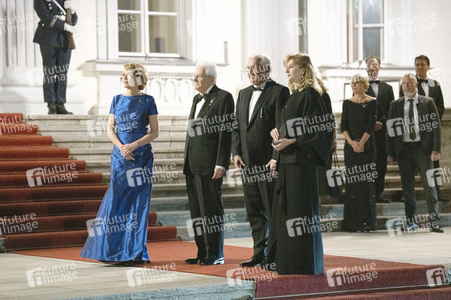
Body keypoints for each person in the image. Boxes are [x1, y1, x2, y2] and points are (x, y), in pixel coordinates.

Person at [81, 63, 159, 263]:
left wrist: (133, 145)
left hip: (141, 157)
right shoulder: (116, 100)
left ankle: (134, 252)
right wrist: (122, 148)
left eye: (130, 75)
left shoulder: (148, 100)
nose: (124, 78)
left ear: (139, 80)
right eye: (123, 75)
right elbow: (110, 129)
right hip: (119, 157)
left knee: (138, 204)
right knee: (116, 201)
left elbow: (154, 132)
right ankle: (111, 251)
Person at [267, 53, 333, 275]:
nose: (287, 71)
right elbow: (292, 126)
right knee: (286, 212)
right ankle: (287, 261)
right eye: (287, 67)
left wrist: (293, 140)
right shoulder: (293, 95)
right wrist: (278, 134)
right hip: (287, 161)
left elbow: (320, 129)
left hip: (300, 164)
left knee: (299, 213)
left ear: (304, 69)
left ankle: (303, 263)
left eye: (292, 66)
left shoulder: (312, 95)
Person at [232, 55, 289, 267]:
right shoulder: (244, 93)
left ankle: (275, 256)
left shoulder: (279, 91)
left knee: (272, 211)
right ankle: (259, 253)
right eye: (248, 70)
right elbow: (237, 126)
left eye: (255, 70)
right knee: (254, 211)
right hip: (247, 164)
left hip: (267, 163)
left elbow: (280, 126)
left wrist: (276, 157)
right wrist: (236, 152)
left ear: (266, 70)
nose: (251, 74)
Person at [184, 62, 235, 266]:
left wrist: (221, 163)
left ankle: (215, 253)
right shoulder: (197, 99)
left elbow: (226, 132)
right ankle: (202, 251)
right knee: (197, 212)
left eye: (198, 76)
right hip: (192, 163)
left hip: (210, 164)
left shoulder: (224, 97)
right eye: (194, 76)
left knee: (211, 211)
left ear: (211, 79)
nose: (194, 79)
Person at [387, 74, 443, 233]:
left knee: (430, 186)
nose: (407, 86)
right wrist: (391, 153)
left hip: (423, 149)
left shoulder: (427, 102)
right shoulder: (395, 104)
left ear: (416, 84)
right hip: (404, 150)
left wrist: (436, 148)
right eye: (404, 83)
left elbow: (436, 126)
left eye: (410, 83)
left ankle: (435, 222)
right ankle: (412, 222)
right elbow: (390, 130)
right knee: (408, 188)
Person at [405, 55, 447, 202]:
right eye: (417, 65)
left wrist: (433, 120)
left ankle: (437, 192)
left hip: (431, 131)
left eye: (423, 65)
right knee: (412, 164)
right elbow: (404, 105)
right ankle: (409, 195)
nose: (419, 67)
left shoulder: (435, 84)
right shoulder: (408, 84)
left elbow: (440, 105)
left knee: (434, 163)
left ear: (428, 66)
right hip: (414, 131)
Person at [341, 74, 378, 232]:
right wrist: (352, 143)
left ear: (365, 85)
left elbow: (370, 125)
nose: (354, 85)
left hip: (367, 147)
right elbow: (343, 126)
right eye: (352, 83)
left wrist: (361, 143)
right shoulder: (347, 103)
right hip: (351, 147)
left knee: (365, 184)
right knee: (352, 184)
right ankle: (351, 223)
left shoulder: (372, 102)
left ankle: (366, 223)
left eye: (357, 83)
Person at [33, 0, 77, 114]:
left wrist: (72, 11)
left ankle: (60, 103)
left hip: (64, 40)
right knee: (50, 72)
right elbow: (46, 18)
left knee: (63, 72)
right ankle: (51, 103)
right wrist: (65, 26)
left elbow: (74, 21)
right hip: (48, 38)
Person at [365, 56, 395, 203]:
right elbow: (357, 108)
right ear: (366, 68)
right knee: (368, 162)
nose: (372, 67)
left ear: (379, 67)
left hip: (383, 132)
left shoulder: (388, 88)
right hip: (367, 133)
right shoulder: (360, 86)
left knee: (381, 163)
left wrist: (381, 122)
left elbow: (392, 109)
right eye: (370, 64)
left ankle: (378, 193)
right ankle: (368, 193)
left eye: (375, 64)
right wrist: (371, 124)